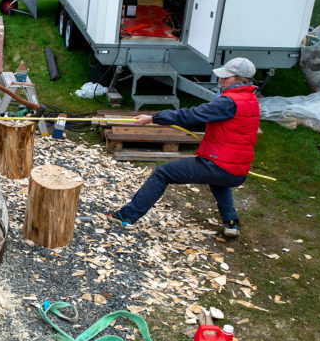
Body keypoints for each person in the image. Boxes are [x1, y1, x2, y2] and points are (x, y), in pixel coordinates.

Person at [110, 57, 260, 237]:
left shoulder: (228, 101)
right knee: (219, 181)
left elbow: (193, 115)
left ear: (240, 80)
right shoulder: (250, 99)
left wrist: (154, 118)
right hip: (236, 170)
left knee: (162, 173)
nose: (221, 80)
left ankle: (127, 216)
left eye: (226, 78)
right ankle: (231, 223)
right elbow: (217, 123)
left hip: (218, 164)